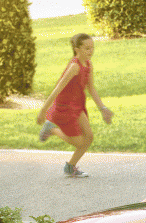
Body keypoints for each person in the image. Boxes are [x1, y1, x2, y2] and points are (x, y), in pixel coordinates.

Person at [36, 33, 113, 179]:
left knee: (89, 137)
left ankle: (70, 167)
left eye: (92, 48)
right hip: (65, 107)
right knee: (79, 142)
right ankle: (51, 129)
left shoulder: (88, 65)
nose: (90, 51)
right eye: (87, 48)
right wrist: (43, 111)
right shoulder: (74, 67)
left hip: (77, 105)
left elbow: (91, 89)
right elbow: (57, 89)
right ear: (77, 49)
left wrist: (103, 108)